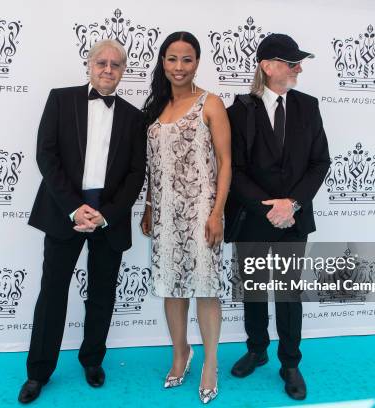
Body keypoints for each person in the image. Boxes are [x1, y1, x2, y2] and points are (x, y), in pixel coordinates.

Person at [18, 39, 146, 403]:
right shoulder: (61, 99)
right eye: (102, 62)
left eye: (116, 64)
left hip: (110, 216)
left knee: (103, 292)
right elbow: (47, 155)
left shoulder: (135, 117)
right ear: (89, 65)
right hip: (64, 212)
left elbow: (137, 174)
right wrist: (75, 207)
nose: (108, 69)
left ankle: (92, 360)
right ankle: (38, 372)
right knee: (52, 293)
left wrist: (106, 213)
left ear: (124, 70)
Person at [225, 33, 330, 401]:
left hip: (295, 218)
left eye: (298, 62)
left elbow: (321, 162)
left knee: (288, 293)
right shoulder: (238, 111)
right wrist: (268, 206)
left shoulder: (309, 106)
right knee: (253, 289)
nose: (299, 67)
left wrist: (293, 204)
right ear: (268, 67)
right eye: (291, 62)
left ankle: (290, 362)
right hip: (252, 217)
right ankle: (256, 349)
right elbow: (233, 169)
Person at [139, 31, 231, 404]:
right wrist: (147, 206)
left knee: (206, 289)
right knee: (171, 287)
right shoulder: (155, 108)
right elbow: (152, 167)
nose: (179, 67)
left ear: (197, 62)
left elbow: (226, 163)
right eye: (172, 59)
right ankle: (181, 353)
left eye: (187, 59)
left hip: (201, 214)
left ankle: (210, 363)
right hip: (164, 215)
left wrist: (217, 213)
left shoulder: (211, 103)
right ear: (163, 62)